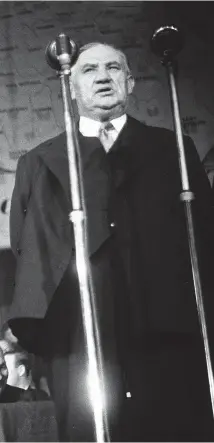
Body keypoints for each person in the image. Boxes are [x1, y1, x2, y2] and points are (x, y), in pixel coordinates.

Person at [7, 42, 214, 441]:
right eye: (89, 70)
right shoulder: (39, 161)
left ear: (130, 82)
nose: (103, 76)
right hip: (80, 335)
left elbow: (203, 238)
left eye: (113, 68)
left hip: (166, 332)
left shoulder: (172, 150)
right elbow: (24, 244)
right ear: (71, 86)